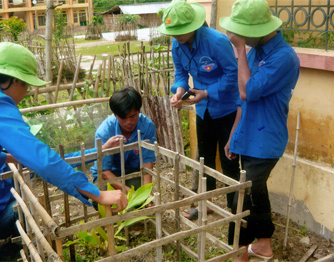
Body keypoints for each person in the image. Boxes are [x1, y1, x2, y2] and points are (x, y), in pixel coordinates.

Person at [0, 42, 128, 261]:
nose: (27, 92)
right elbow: (42, 159)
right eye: (27, 85)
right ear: (14, 80)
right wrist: (98, 193)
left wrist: (7, 157)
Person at [220, 0, 300, 261]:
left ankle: (240, 251)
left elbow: (247, 90)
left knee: (242, 196)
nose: (238, 37)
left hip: (267, 139)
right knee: (255, 191)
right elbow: (242, 102)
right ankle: (263, 243)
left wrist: (240, 49)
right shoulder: (254, 52)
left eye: (242, 33)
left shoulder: (284, 57)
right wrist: (234, 134)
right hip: (247, 134)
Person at [0, 133, 126, 261]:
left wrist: (103, 148)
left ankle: (22, 242)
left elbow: (61, 162)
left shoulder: (27, 160)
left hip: (7, 213)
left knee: (20, 208)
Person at [157, 0, 241, 220]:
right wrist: (179, 92)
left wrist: (207, 92)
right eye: (172, 33)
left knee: (229, 159)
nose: (176, 37)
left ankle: (236, 210)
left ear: (193, 25)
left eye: (180, 32)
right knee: (204, 159)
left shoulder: (217, 41)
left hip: (226, 109)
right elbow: (180, 74)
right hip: (202, 110)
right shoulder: (177, 44)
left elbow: (233, 75)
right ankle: (207, 203)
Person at [90, 87, 157, 193]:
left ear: (139, 111)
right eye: (123, 118)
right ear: (115, 115)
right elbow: (104, 171)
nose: (129, 122)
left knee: (139, 198)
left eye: (133, 116)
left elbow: (147, 163)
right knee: (105, 198)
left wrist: (146, 192)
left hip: (132, 172)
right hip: (108, 173)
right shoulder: (105, 131)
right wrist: (129, 192)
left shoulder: (147, 126)